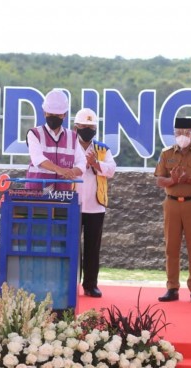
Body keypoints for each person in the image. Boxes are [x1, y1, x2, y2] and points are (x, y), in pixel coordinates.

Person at [154, 118, 191, 304]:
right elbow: (159, 180)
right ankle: (172, 287)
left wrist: (188, 179)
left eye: (186, 132)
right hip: (171, 203)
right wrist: (172, 181)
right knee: (171, 247)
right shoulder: (166, 154)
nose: (182, 136)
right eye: (178, 132)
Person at [73, 108, 116, 297]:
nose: (88, 130)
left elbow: (112, 170)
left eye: (91, 127)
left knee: (92, 249)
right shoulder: (70, 147)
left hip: (95, 206)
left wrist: (96, 164)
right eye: (84, 126)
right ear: (76, 128)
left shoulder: (102, 149)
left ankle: (91, 285)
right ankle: (70, 284)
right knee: (72, 248)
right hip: (72, 204)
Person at [26, 89, 86, 190]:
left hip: (63, 195)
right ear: (44, 113)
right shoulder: (34, 134)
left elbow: (82, 162)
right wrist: (59, 170)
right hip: (36, 194)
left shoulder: (72, 136)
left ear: (64, 115)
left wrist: (72, 172)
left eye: (57, 115)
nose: (54, 117)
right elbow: (38, 159)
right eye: (50, 114)